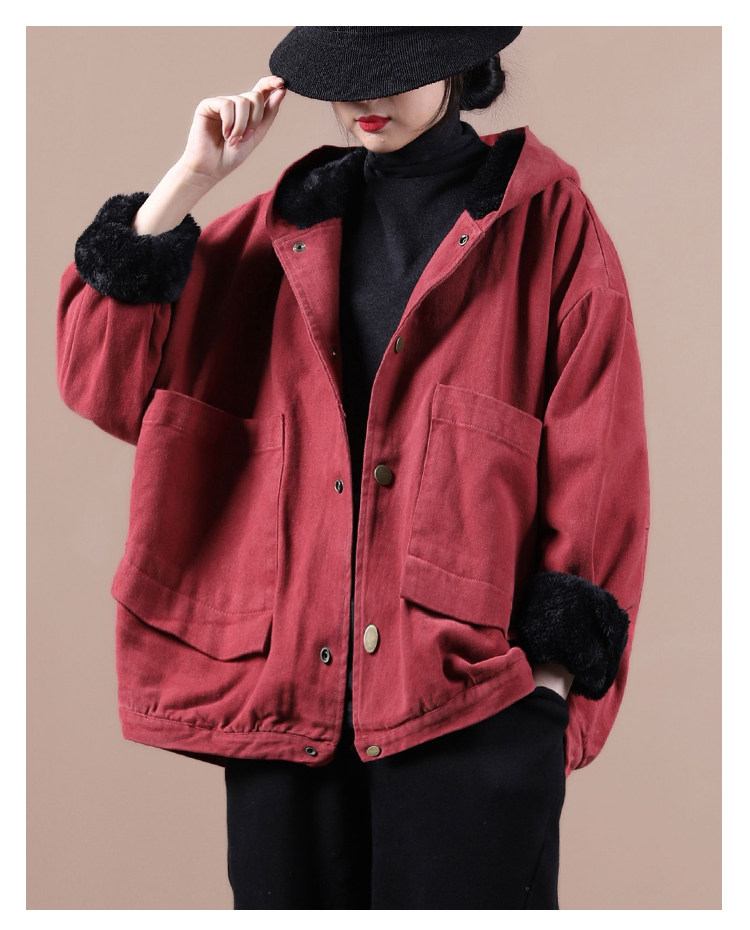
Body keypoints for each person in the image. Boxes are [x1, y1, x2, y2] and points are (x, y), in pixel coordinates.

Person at [56, 27, 651, 909]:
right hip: (288, 711)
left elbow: (598, 466)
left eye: (392, 72)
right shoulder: (277, 234)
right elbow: (99, 382)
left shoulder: (552, 231)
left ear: (461, 64)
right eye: (343, 77)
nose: (363, 99)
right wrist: (189, 182)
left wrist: (547, 692)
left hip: (470, 709)